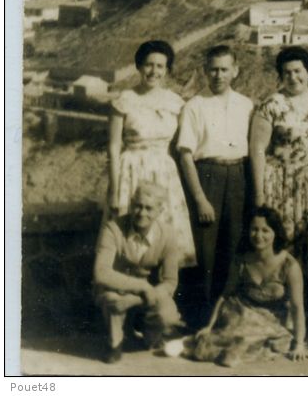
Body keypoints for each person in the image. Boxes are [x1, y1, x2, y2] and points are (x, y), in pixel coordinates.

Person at [177, 45, 255, 328]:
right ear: (205, 71)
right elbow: (185, 154)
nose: (218, 75)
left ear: (235, 70)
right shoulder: (194, 106)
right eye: (213, 69)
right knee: (205, 250)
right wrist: (199, 198)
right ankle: (199, 321)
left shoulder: (247, 105)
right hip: (207, 176)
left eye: (224, 69)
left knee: (234, 248)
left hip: (238, 176)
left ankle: (226, 317)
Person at [107, 40, 195, 268]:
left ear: (167, 70)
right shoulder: (124, 100)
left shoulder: (176, 103)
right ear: (139, 67)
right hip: (131, 171)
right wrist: (116, 191)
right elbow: (114, 147)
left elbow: (182, 144)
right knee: (131, 239)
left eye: (160, 66)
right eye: (148, 65)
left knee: (165, 234)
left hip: (164, 172)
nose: (153, 71)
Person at [186, 206, 308, 366]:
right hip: (241, 313)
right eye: (254, 229)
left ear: (275, 233)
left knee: (237, 350)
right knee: (205, 346)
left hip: (272, 321)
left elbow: (297, 307)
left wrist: (299, 344)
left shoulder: (289, 266)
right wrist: (210, 326)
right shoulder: (241, 260)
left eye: (265, 230)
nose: (259, 236)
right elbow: (226, 295)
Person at [248, 46, 308, 269]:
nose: (293, 77)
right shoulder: (271, 104)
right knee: (282, 237)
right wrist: (260, 192)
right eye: (287, 72)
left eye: (298, 71)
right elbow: (258, 149)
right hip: (279, 183)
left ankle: (306, 296)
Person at [93, 183, 183, 364]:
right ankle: (115, 342)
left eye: (149, 208)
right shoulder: (113, 228)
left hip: (145, 293)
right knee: (113, 299)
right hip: (117, 287)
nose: (142, 213)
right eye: (137, 206)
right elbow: (101, 273)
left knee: (169, 314)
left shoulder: (168, 234)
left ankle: (148, 334)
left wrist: (137, 298)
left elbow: (170, 282)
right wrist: (141, 286)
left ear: (160, 210)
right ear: (131, 204)